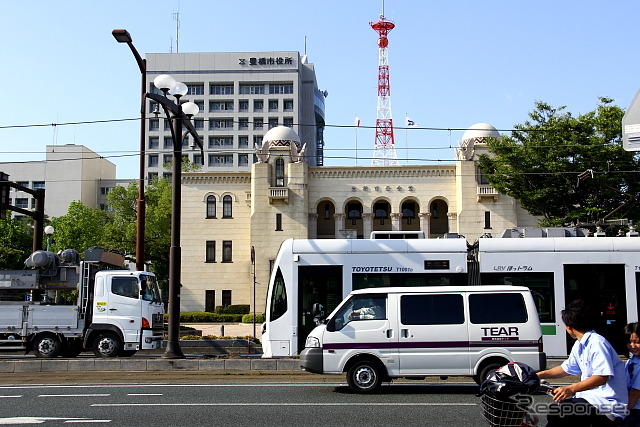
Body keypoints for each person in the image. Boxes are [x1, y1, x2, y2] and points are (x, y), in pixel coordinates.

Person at [537, 299, 627, 426]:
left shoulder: (597, 343)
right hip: (590, 401)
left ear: (569, 327)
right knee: (559, 411)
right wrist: (537, 375)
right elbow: (565, 368)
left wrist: (570, 388)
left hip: (607, 404)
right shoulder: (580, 344)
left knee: (559, 411)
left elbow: (602, 377)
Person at [622, 322, 640, 427]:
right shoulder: (631, 361)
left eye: (636, 342)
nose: (632, 346)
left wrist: (622, 413)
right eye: (629, 342)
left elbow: (635, 393)